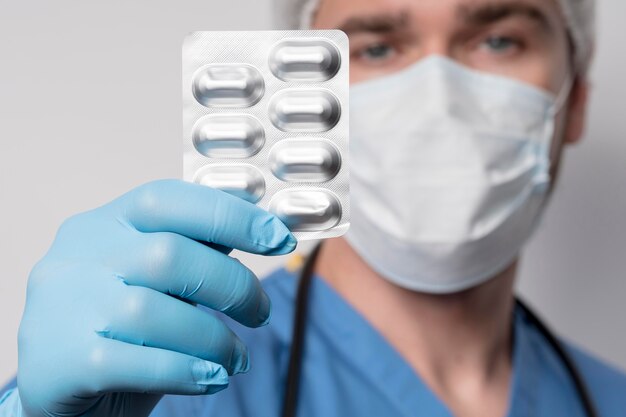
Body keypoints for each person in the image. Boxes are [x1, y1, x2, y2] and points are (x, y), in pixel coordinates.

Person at [1, 0, 625, 416]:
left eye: (497, 39)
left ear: (574, 102)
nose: (439, 101)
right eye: (378, 47)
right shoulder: (177, 382)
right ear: (302, 93)